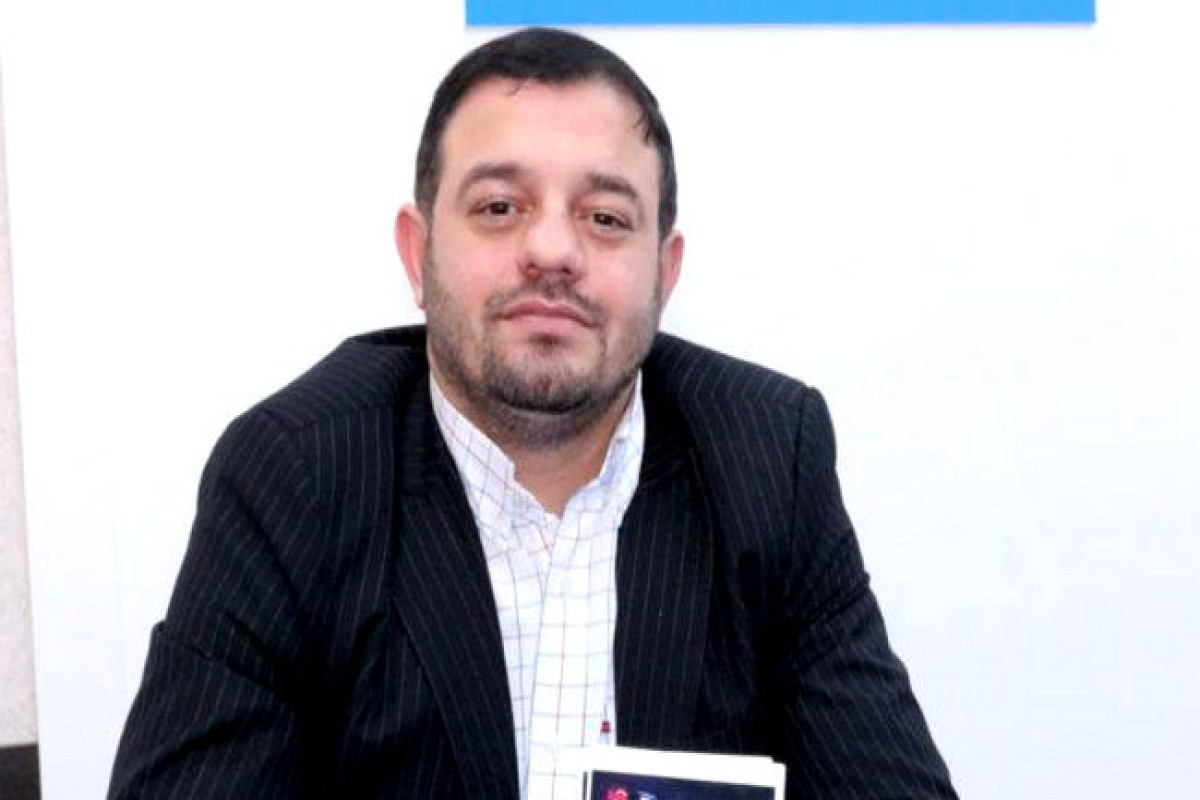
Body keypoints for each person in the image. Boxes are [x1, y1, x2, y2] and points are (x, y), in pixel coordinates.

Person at [109, 27, 956, 800]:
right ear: (418, 251)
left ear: (665, 274)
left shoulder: (768, 457)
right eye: (499, 208)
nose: (552, 251)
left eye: (605, 218)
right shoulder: (295, 473)